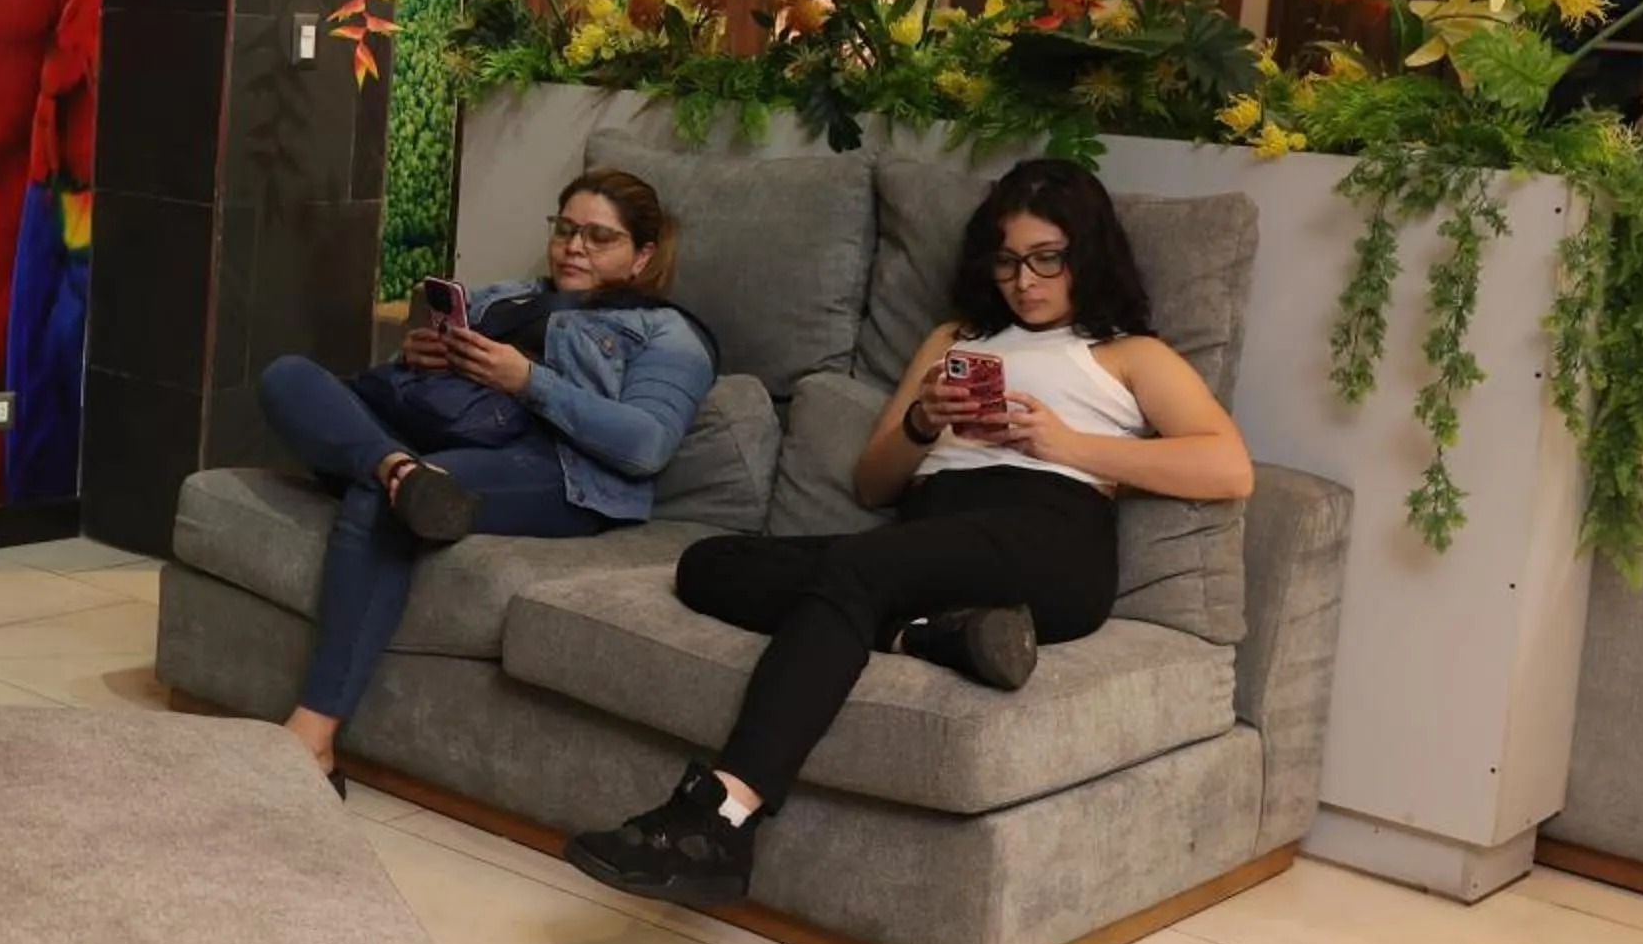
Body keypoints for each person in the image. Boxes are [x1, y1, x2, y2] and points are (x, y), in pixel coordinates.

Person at [565, 159, 1252, 905]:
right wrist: (925, 422)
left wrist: (1067, 446)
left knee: (858, 572)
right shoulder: (956, 338)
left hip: (1050, 535)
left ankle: (723, 815)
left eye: (1046, 258)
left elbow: (1228, 467)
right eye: (1008, 261)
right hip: (928, 536)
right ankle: (937, 635)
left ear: (1086, 254)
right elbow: (873, 484)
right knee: (708, 564)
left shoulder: (1127, 353)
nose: (1024, 281)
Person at [255, 170, 717, 790]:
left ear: (642, 256)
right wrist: (418, 358)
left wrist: (529, 380)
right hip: (444, 441)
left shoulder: (667, 332)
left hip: (556, 470)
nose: (574, 246)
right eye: (566, 229)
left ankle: (312, 737)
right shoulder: (508, 297)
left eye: (599, 237)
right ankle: (398, 467)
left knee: (385, 496)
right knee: (289, 376)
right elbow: (419, 388)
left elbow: (646, 445)